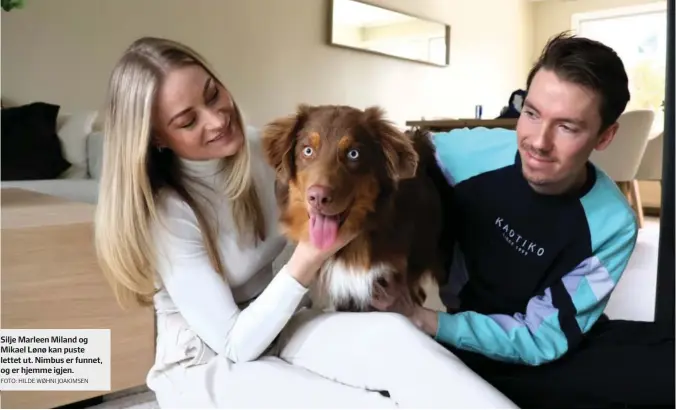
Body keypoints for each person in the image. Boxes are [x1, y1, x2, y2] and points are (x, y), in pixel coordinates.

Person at [93, 36, 518, 409]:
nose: (218, 118)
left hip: (280, 327)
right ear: (156, 138)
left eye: (213, 93)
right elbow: (233, 344)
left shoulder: (269, 151)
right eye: (188, 120)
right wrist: (310, 256)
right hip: (207, 360)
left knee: (401, 343)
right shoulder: (167, 214)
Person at [372, 32, 675, 409]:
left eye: (567, 126)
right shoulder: (463, 154)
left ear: (606, 136)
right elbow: (377, 157)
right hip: (460, 337)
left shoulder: (613, 225)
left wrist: (422, 319)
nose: (538, 142)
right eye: (531, 114)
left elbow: (542, 339)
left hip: (544, 347)